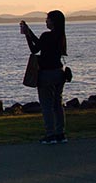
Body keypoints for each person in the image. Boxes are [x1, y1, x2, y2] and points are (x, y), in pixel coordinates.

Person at [21, 10, 68, 144]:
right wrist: (29, 33)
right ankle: (60, 134)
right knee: (57, 105)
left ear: (53, 21)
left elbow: (35, 49)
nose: (46, 21)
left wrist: (27, 35)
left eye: (48, 19)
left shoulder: (47, 36)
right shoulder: (60, 36)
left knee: (46, 106)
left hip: (46, 74)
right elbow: (41, 43)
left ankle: (50, 135)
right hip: (59, 73)